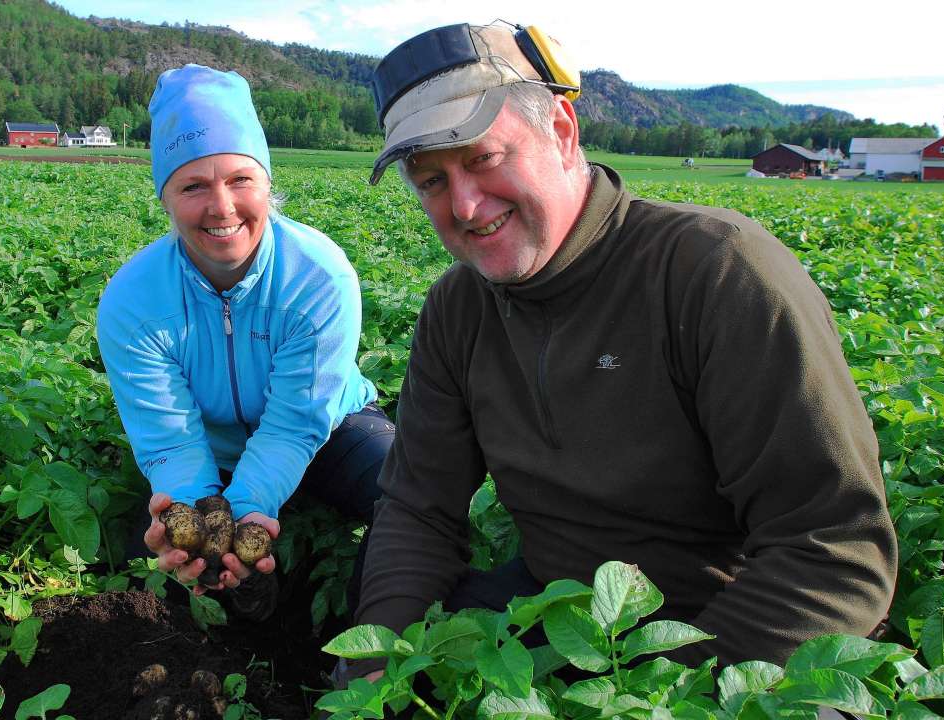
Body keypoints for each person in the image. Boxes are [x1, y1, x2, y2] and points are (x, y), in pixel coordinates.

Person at [346, 22, 897, 679]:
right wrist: (376, 667)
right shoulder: (457, 308)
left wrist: (661, 691)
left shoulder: (716, 272)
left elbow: (834, 547)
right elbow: (417, 509)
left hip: (736, 624)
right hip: (559, 609)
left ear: (562, 131)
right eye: (431, 181)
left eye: (482, 157)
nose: (463, 204)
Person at [97, 64, 393, 621]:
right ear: (165, 198)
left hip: (329, 426)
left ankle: (366, 649)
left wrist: (249, 507)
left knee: (405, 489)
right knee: (186, 549)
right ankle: (253, 608)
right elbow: (170, 441)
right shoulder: (133, 302)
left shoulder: (319, 277)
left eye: (240, 179)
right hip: (209, 448)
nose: (222, 207)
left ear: (267, 184)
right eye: (193, 186)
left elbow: (294, 423)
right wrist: (208, 511)